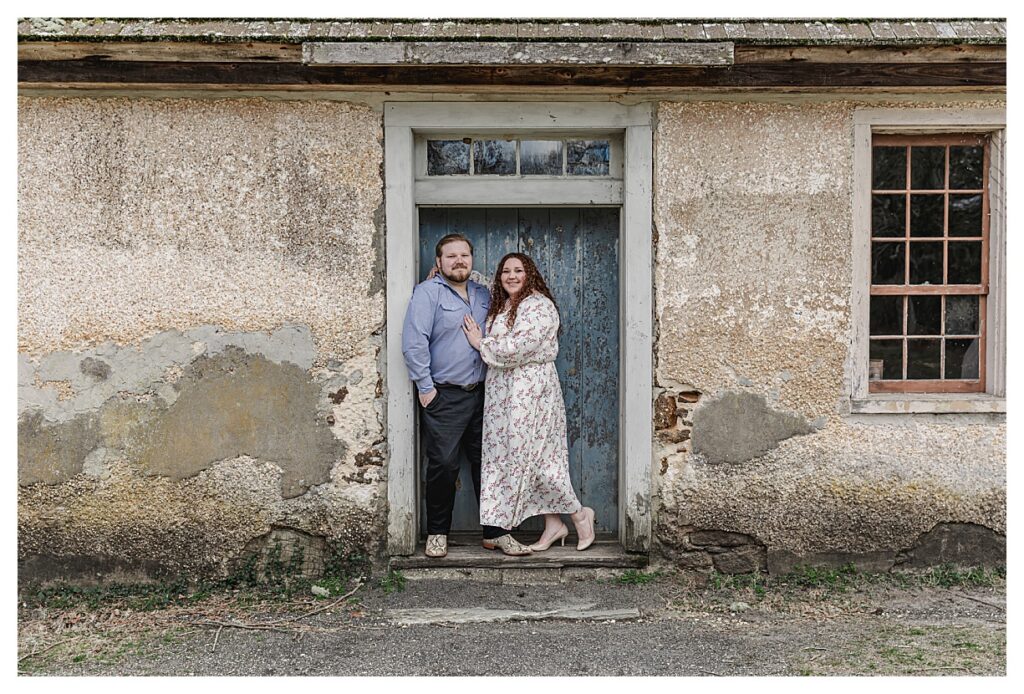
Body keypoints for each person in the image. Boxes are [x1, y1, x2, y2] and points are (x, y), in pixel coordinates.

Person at [401, 234, 529, 558]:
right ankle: (437, 532)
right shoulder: (427, 293)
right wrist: (427, 389)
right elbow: (414, 343)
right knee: (443, 464)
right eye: (451, 256)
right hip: (446, 395)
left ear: (472, 260)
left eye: (464, 256)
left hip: (486, 393)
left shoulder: (482, 293)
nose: (459, 261)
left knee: (490, 464)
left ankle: (496, 533)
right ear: (439, 262)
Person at [462, 253, 596, 553]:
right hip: (503, 393)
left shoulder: (538, 305)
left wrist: (479, 343)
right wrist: (461, 272)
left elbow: (517, 348)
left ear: (529, 274)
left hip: (532, 390)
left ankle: (579, 514)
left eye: (518, 271)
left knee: (538, 460)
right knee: (524, 458)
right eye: (506, 271)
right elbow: (485, 280)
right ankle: (554, 524)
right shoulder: (506, 303)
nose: (511, 276)